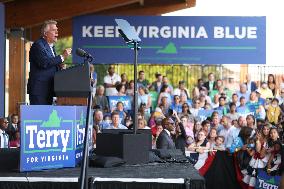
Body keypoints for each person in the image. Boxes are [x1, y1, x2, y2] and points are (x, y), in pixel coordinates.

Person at [27, 20, 72, 105]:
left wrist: (59, 67)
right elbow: (44, 63)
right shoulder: (38, 45)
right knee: (39, 117)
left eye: (57, 30)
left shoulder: (51, 47)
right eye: (54, 30)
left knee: (45, 117)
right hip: (39, 90)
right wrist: (62, 57)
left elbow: (50, 65)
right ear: (45, 33)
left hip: (48, 89)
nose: (57, 32)